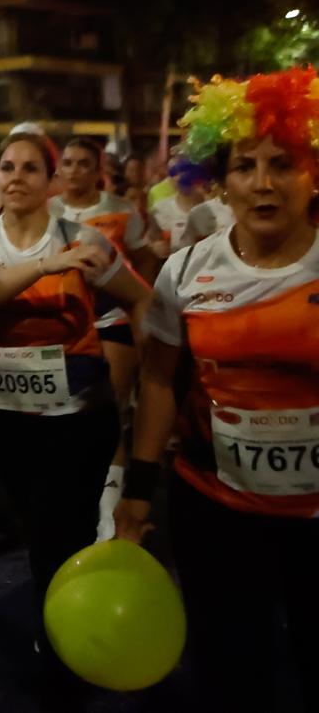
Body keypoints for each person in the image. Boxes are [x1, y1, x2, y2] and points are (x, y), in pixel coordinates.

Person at [116, 66, 319, 711]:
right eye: (244, 166)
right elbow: (158, 380)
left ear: (313, 172)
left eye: (282, 164)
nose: (263, 183)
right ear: (219, 180)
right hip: (217, 507)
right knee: (232, 672)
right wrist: (137, 491)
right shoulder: (186, 271)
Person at [0, 132, 151, 671]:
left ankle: (64, 641)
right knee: (38, 524)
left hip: (77, 419)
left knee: (60, 531)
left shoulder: (83, 238)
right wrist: (44, 266)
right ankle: (67, 620)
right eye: (7, 167)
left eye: (30, 168)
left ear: (51, 181)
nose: (16, 177)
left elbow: (142, 300)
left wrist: (152, 374)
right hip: (1, 417)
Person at [49, 137, 157, 538]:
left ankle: (108, 516)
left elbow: (144, 263)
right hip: (62, 327)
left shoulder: (122, 210)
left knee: (109, 410)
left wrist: (139, 307)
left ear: (98, 170)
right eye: (68, 162)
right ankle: (74, 501)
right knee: (68, 416)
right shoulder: (47, 210)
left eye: (83, 163)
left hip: (111, 320)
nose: (74, 170)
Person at [149, 154, 214, 257]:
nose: (178, 178)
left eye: (184, 172)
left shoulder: (216, 208)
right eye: (173, 173)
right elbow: (151, 241)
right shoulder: (159, 210)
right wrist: (154, 247)